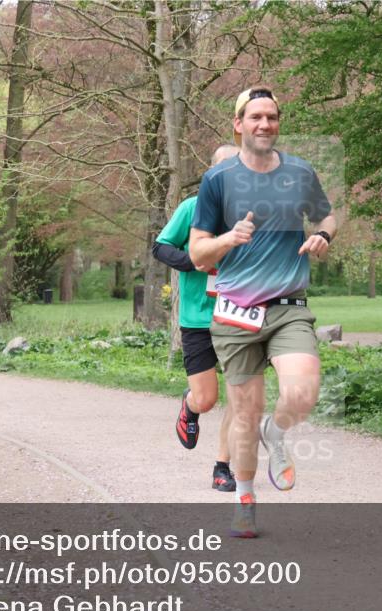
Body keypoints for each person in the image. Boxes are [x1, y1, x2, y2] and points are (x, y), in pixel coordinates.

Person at [190, 86, 338, 537]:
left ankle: (278, 429)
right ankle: (245, 499)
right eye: (255, 117)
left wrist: (324, 237)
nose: (264, 124)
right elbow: (198, 254)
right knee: (243, 415)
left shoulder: (299, 171)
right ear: (238, 124)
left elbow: (327, 216)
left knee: (304, 391)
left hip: (289, 307)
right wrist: (227, 239)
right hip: (236, 314)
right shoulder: (217, 181)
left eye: (271, 117)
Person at [152, 144, 241, 493]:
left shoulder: (249, 214)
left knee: (240, 397)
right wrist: (195, 260)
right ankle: (190, 407)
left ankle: (223, 467)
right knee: (207, 398)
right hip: (197, 318)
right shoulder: (191, 208)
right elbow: (160, 247)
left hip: (239, 317)